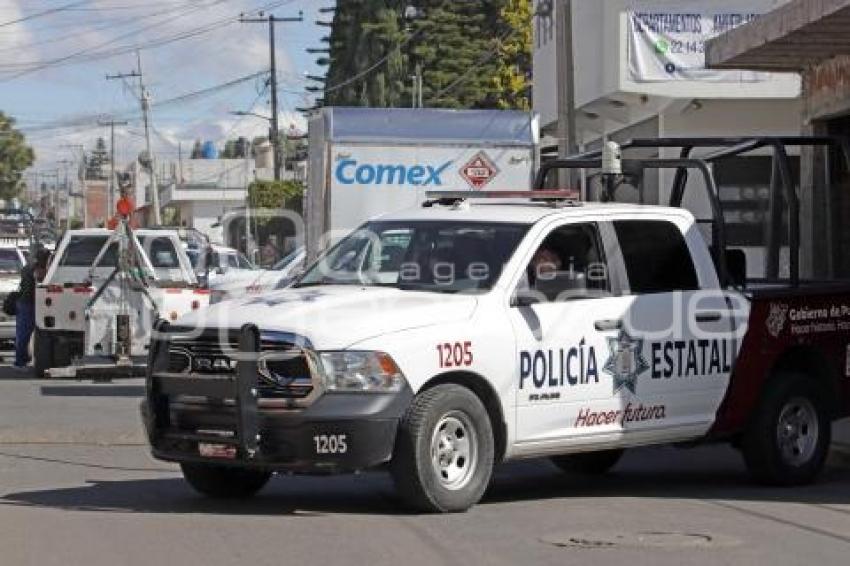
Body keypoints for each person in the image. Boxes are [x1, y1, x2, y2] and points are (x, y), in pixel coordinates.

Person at [14, 248, 50, 369]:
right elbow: (38, 281)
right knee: (24, 334)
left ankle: (23, 359)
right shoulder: (36, 270)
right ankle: (20, 361)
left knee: (24, 333)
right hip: (28, 303)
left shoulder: (28, 267)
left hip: (26, 303)